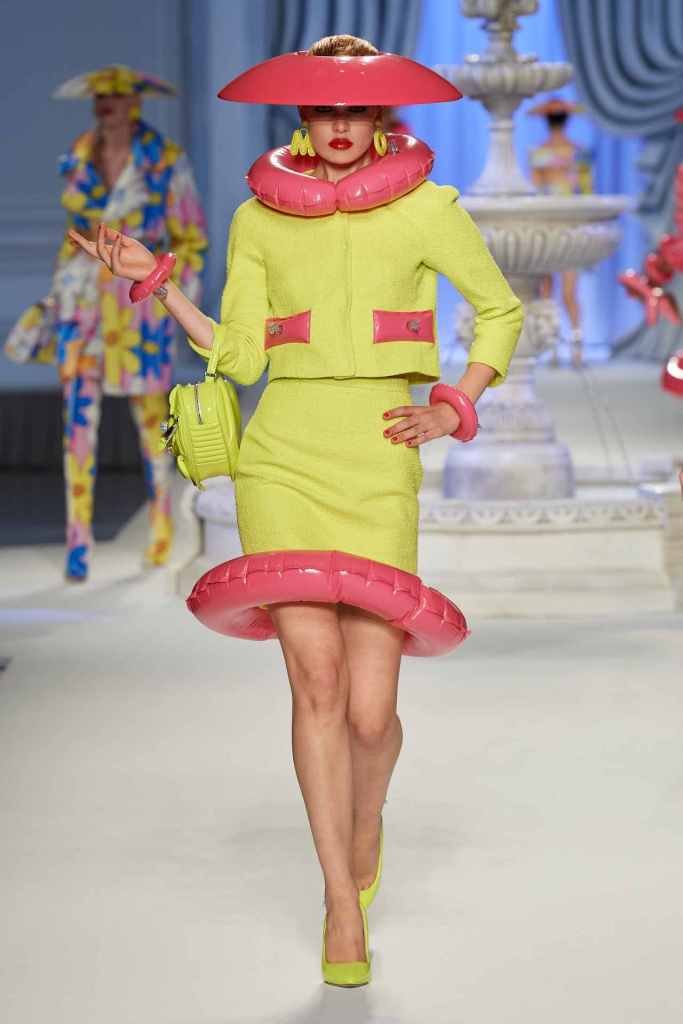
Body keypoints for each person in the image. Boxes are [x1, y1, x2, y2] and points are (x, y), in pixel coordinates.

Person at [68, 36, 523, 987]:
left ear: (378, 116)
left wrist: (454, 404)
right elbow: (238, 352)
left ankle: (367, 821)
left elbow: (499, 310)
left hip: (378, 456)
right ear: (301, 120)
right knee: (314, 686)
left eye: (353, 109)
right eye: (322, 110)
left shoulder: (428, 208)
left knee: (371, 714)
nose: (339, 125)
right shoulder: (257, 219)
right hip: (282, 458)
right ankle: (337, 900)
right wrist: (157, 281)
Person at [5, 64, 208, 580]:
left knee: (151, 421)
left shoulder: (165, 161)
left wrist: (171, 300)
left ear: (136, 102)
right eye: (99, 97)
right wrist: (57, 295)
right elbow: (71, 234)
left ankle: (161, 522)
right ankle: (78, 540)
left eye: (116, 96)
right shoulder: (77, 156)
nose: (106, 104)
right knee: (77, 422)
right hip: (82, 304)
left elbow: (191, 240)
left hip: (138, 306)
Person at [528, 96, 593, 367]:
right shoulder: (578, 152)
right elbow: (587, 192)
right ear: (566, 121)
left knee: (547, 291)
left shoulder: (539, 153)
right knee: (569, 291)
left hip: (547, 223)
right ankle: (576, 347)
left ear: (546, 121)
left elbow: (535, 191)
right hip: (570, 223)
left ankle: (553, 347)